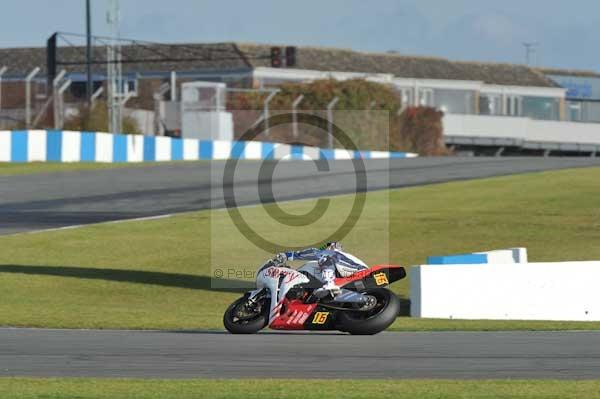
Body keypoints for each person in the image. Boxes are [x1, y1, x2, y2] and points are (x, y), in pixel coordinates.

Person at [272, 242, 368, 296]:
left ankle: (329, 283)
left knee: (325, 257)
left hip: (359, 272)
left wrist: (287, 256)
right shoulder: (338, 260)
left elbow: (316, 253)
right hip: (350, 279)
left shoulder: (335, 254)